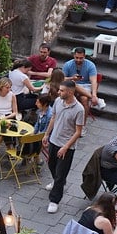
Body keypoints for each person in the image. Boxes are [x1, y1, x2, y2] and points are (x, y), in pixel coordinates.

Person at [42, 80, 85, 214]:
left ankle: (54, 200)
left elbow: (78, 132)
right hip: (54, 140)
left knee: (61, 174)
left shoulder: (79, 109)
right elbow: (54, 117)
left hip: (67, 146)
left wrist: (66, 147)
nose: (59, 92)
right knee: (51, 165)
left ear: (70, 92)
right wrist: (46, 134)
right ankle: (57, 182)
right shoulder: (58, 101)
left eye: (62, 90)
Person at [62, 47, 101, 112]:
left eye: (81, 58)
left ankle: (84, 119)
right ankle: (95, 99)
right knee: (73, 84)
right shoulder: (67, 64)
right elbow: (62, 78)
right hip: (71, 86)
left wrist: (94, 94)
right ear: (74, 56)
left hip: (86, 86)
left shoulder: (90, 65)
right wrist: (72, 78)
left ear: (84, 56)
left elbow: (94, 81)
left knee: (84, 99)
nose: (78, 60)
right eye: (77, 58)